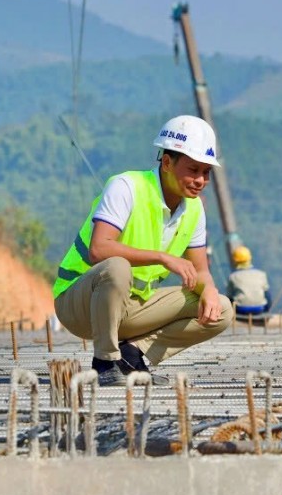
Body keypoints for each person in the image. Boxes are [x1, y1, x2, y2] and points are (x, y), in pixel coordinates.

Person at [52, 115, 235, 385]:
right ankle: (105, 362)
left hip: (130, 306)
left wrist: (207, 289)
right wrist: (162, 258)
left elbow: (200, 271)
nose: (200, 180)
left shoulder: (194, 209)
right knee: (117, 266)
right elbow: (99, 250)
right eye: (193, 169)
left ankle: (131, 354)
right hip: (79, 304)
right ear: (167, 163)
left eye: (206, 172)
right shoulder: (126, 187)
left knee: (222, 308)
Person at [226, 245, 270, 319]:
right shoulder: (261, 274)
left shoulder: (233, 276)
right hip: (259, 308)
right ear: (249, 258)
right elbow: (267, 296)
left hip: (241, 309)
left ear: (235, 261)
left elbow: (229, 297)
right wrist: (267, 310)